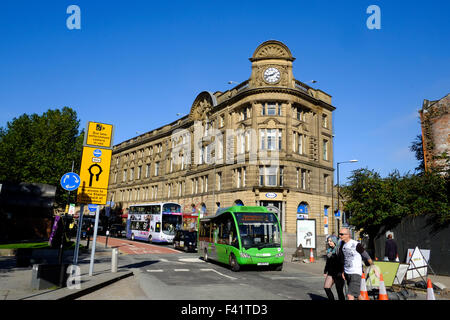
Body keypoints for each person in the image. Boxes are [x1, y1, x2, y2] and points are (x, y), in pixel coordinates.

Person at [338, 228, 379, 300]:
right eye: (339, 234)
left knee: (350, 295)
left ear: (348, 235)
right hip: (347, 272)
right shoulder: (342, 245)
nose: (340, 236)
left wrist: (374, 268)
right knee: (357, 295)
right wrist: (343, 271)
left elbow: (366, 256)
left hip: (356, 273)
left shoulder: (356, 244)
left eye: (341, 234)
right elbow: (344, 259)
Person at [323, 235, 345, 300]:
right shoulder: (329, 250)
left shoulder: (339, 250)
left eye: (330, 241)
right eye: (328, 241)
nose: (329, 242)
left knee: (339, 291)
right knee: (326, 287)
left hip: (338, 273)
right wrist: (325, 271)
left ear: (335, 241)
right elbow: (328, 262)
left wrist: (343, 272)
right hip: (330, 272)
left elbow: (342, 262)